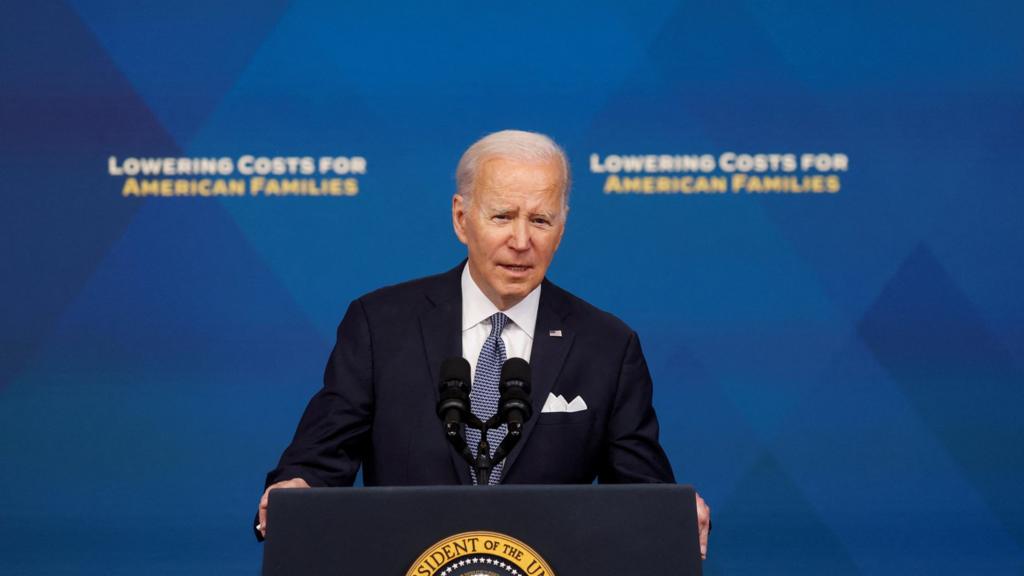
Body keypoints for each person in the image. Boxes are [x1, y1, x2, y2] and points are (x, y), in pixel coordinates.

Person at [256, 130, 711, 558]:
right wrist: (297, 488)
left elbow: (641, 491)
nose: (520, 241)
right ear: (461, 218)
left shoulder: (607, 346)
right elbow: (320, 457)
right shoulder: (381, 325)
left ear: (562, 227)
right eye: (502, 216)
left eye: (540, 220)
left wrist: (672, 515)